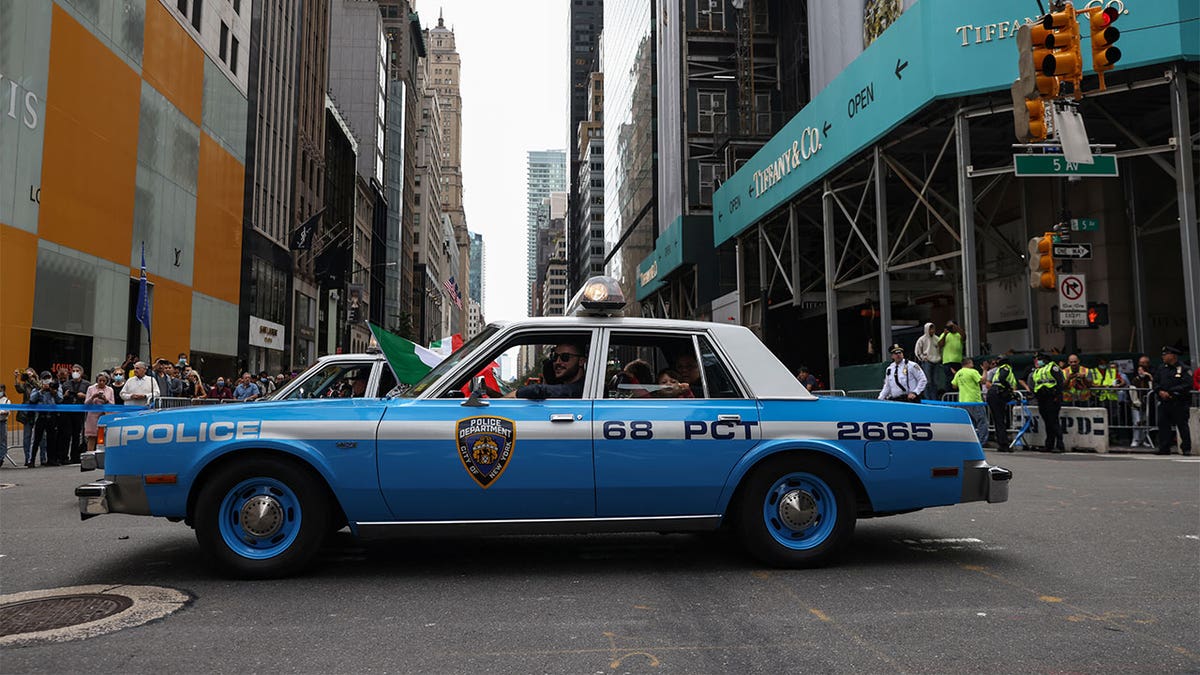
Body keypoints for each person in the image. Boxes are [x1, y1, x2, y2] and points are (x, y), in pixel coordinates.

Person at [508, 342, 588, 399]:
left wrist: (516, 394)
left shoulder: (584, 388)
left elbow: (540, 390)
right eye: (555, 357)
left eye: (565, 357)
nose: (557, 362)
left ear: (581, 361)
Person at [1152, 346, 1193, 456]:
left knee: (1182, 426)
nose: (1163, 356)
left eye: (1166, 354)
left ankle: (1186, 448)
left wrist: (1170, 392)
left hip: (1179, 401)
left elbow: (1187, 384)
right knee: (1163, 425)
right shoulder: (1161, 368)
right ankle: (1164, 448)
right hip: (1164, 402)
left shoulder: (1183, 368)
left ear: (1173, 356)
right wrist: (1160, 391)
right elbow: (1155, 382)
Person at [1031, 352, 1066, 453]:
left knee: (1053, 422)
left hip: (1052, 398)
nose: (1038, 361)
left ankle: (1060, 445)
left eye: (1040, 359)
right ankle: (1049, 445)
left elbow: (1060, 382)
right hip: (1042, 399)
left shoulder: (1053, 367)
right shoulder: (1038, 370)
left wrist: (1057, 396)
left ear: (1045, 359)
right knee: (1047, 423)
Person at [950, 357, 988, 445]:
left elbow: (954, 386)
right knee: (982, 422)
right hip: (974, 400)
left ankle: (970, 441)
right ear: (969, 363)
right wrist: (985, 370)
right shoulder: (973, 371)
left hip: (963, 401)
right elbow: (983, 381)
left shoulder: (959, 373)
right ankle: (982, 442)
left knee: (969, 423)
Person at [28, 371, 62, 466]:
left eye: (48, 378)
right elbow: (32, 399)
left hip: (52, 416)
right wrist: (41, 391)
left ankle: (51, 460)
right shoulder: (38, 387)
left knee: (52, 439)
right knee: (36, 439)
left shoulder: (56, 386)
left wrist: (53, 392)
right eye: (45, 378)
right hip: (41, 416)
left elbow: (60, 399)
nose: (47, 380)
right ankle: (32, 460)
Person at [986, 356, 1019, 451]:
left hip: (993, 393)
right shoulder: (1005, 368)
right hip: (997, 394)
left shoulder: (998, 370)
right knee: (1000, 420)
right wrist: (1009, 388)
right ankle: (1004, 444)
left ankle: (1002, 443)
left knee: (998, 420)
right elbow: (1002, 378)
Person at [60, 364, 90, 464]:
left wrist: (84, 396)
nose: (75, 372)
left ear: (81, 372)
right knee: (66, 435)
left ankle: (75, 456)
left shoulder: (87, 384)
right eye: (73, 371)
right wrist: (66, 395)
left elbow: (90, 398)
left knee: (76, 435)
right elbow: (61, 398)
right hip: (67, 412)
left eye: (77, 370)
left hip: (79, 412)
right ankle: (64, 456)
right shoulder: (66, 384)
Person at [13, 367, 41, 467]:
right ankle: (27, 458)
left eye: (30, 372)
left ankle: (35, 458)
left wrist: (32, 379)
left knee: (37, 437)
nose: (28, 374)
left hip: (37, 411)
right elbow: (19, 389)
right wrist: (16, 378)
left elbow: (39, 387)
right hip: (27, 412)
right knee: (27, 437)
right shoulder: (25, 385)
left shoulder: (38, 382)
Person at [83, 372, 114, 454]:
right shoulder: (90, 388)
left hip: (105, 415)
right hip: (92, 415)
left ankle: (102, 456)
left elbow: (112, 405)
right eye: (100, 380)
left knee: (104, 437)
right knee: (91, 436)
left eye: (104, 381)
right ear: (97, 380)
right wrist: (93, 397)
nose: (102, 383)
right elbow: (86, 403)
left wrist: (105, 400)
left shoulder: (110, 390)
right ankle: (90, 455)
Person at [1128, 360, 1155, 449]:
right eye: (1139, 370)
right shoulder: (1135, 380)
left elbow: (1152, 389)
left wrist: (1150, 377)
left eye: (1142, 370)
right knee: (1137, 422)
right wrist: (1137, 403)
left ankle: (1144, 440)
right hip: (1137, 404)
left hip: (1145, 404)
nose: (1141, 372)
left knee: (1144, 422)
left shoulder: (1147, 380)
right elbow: (1132, 393)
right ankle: (1135, 439)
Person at [914, 322, 942, 399]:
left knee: (935, 382)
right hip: (927, 362)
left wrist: (940, 357)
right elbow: (917, 351)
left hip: (936, 361)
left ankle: (934, 398)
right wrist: (922, 358)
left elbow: (940, 349)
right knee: (927, 381)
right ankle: (928, 398)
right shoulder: (922, 339)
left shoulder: (937, 338)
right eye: (930, 329)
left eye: (933, 328)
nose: (932, 330)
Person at [937, 321, 965, 385]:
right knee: (950, 379)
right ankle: (950, 393)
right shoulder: (944, 334)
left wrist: (957, 328)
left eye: (951, 326)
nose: (950, 328)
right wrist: (944, 335)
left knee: (958, 379)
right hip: (947, 362)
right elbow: (940, 345)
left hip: (958, 361)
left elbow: (964, 337)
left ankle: (956, 394)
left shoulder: (959, 334)